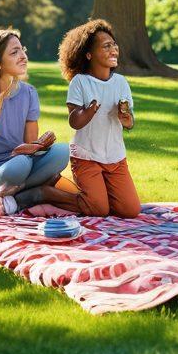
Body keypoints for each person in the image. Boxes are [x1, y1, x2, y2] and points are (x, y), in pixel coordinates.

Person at [0, 29, 80, 215]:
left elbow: (29, 143)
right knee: (20, 165)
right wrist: (1, 97)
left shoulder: (29, 92)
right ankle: (15, 193)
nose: (23, 56)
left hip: (20, 161)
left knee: (62, 151)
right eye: (14, 52)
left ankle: (10, 195)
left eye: (22, 49)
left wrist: (38, 145)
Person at [58, 19, 140, 218]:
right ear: (89, 55)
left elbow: (130, 123)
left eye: (114, 45)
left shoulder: (121, 82)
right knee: (98, 210)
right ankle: (46, 193)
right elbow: (74, 121)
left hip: (115, 157)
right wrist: (89, 111)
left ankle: (99, 193)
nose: (114, 50)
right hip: (86, 157)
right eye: (106, 46)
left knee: (130, 210)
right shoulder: (80, 82)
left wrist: (126, 118)